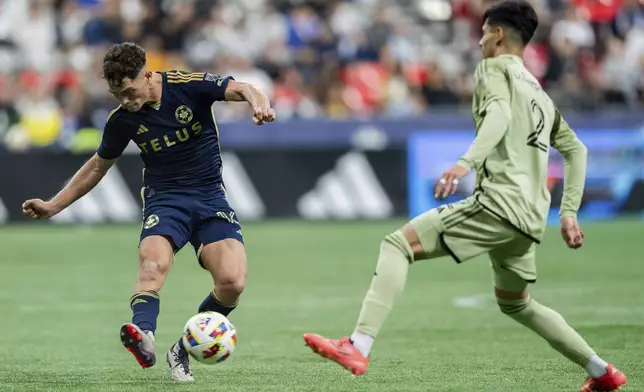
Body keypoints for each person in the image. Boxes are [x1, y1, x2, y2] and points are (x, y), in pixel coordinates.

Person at [302, 2, 627, 391]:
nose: (478, 40)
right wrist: (569, 211)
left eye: (484, 32)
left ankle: (358, 345)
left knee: (397, 245)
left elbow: (500, 117)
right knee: (517, 303)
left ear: (499, 34)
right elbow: (577, 150)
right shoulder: (538, 92)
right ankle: (601, 372)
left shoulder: (493, 69)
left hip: (499, 204)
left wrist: (464, 163)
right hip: (531, 219)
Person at [21, 42, 275, 383]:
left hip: (210, 198)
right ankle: (144, 336)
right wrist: (54, 205)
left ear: (148, 75)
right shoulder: (122, 120)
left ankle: (182, 350)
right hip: (164, 200)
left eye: (128, 91)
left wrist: (261, 104)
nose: (125, 101)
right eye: (116, 94)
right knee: (152, 267)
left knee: (232, 283)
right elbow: (98, 166)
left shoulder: (189, 86)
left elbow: (243, 88)